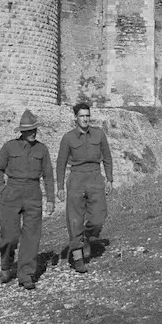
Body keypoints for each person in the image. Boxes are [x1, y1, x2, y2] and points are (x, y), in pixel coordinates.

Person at [0, 109, 55, 290]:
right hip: (11, 193)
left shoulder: (42, 149)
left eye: (34, 129)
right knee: (9, 236)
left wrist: (50, 198)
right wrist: (2, 189)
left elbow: (48, 176)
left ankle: (26, 274)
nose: (33, 133)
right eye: (29, 130)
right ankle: (6, 264)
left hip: (33, 193)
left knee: (31, 236)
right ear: (22, 131)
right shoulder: (9, 147)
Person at [56, 102, 113, 273]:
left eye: (87, 116)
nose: (85, 119)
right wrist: (60, 186)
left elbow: (107, 158)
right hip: (76, 179)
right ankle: (78, 257)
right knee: (75, 219)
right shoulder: (68, 138)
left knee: (99, 217)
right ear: (76, 118)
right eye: (82, 116)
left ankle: (87, 237)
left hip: (95, 177)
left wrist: (109, 179)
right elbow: (60, 163)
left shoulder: (99, 134)